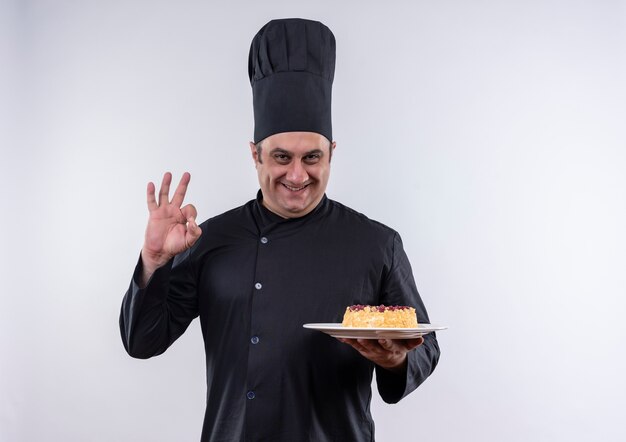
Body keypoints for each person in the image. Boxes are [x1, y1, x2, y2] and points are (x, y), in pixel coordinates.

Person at [120, 18, 440, 441]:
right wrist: (155, 262)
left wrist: (397, 359)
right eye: (280, 157)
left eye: (312, 158)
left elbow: (425, 349)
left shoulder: (377, 243)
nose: (296, 175)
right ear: (254, 154)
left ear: (332, 153)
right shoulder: (210, 240)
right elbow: (143, 341)